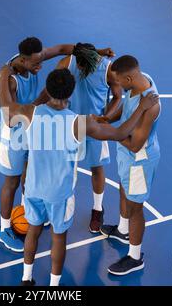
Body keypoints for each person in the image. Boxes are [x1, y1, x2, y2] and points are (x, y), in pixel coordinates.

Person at [0, 66, 159, 285]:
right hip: (60, 193)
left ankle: (26, 279)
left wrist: (4, 76)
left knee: (33, 232)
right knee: (58, 237)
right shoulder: (79, 123)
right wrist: (142, 107)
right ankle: (54, 286)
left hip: (33, 188)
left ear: (48, 90)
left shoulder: (30, 112)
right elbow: (120, 133)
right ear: (71, 93)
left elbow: (6, 109)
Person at [0, 37, 115, 253]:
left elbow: (62, 48)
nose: (40, 66)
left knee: (29, 172)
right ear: (23, 60)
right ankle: (5, 229)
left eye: (42, 60)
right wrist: (4, 78)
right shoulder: (9, 78)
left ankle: (32, 213)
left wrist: (96, 52)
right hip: (14, 132)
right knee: (11, 181)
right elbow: (9, 116)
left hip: (32, 125)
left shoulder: (33, 59)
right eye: (36, 64)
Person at [41, 43, 123, 233]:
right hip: (71, 126)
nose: (77, 67)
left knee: (97, 168)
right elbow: (52, 88)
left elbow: (118, 96)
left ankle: (97, 209)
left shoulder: (107, 70)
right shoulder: (67, 62)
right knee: (67, 170)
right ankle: (59, 207)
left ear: (87, 64)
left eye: (80, 65)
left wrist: (106, 118)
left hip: (95, 127)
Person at [99, 55, 161, 276]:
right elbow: (125, 106)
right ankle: (122, 231)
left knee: (135, 208)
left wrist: (109, 133)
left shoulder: (151, 106)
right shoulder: (139, 80)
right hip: (127, 158)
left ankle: (135, 257)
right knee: (123, 190)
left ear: (128, 78)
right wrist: (106, 119)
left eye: (118, 82)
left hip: (139, 161)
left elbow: (135, 145)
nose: (116, 86)